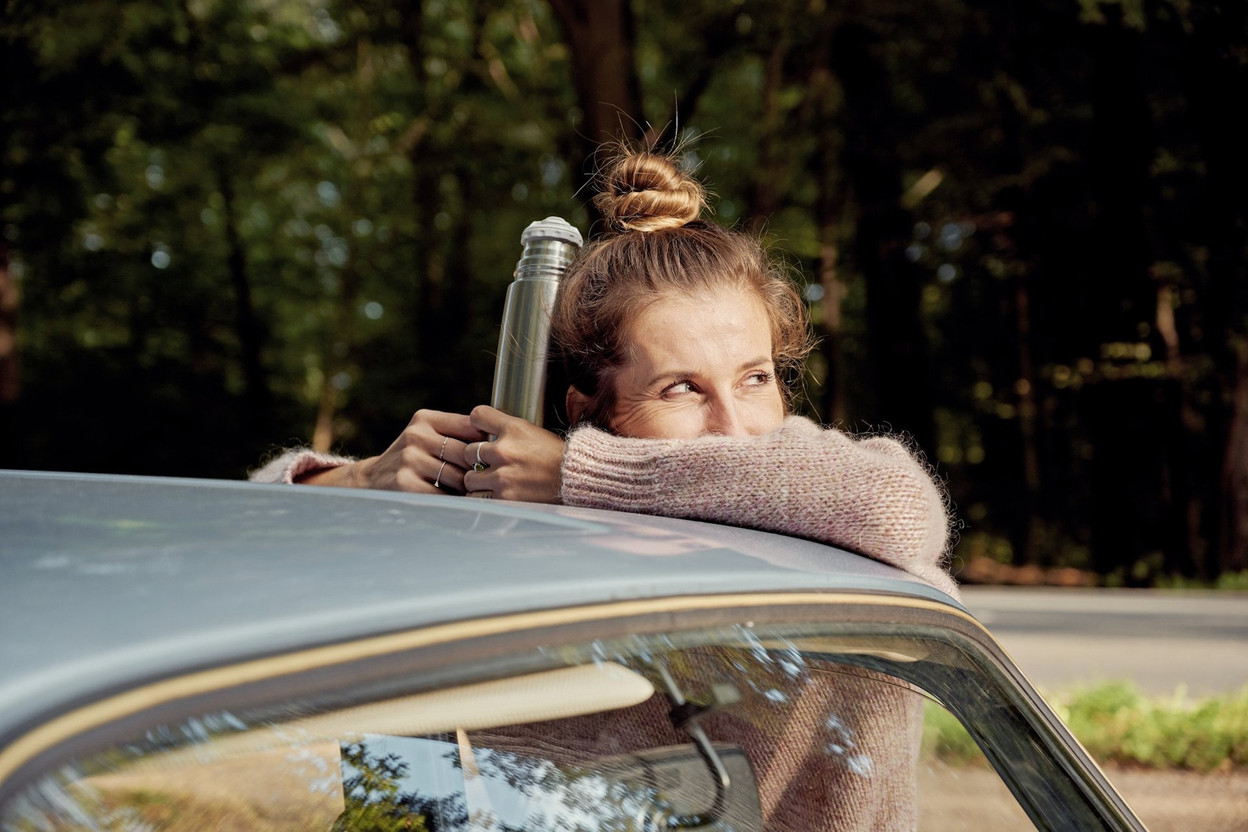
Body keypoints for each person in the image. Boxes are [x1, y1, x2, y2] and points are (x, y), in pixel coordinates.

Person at [252, 147, 955, 829]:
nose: (737, 428)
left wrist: (575, 472)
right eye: (681, 388)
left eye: (756, 377)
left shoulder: (829, 535)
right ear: (588, 410)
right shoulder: (524, 561)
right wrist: (355, 481)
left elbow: (895, 508)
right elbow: (231, 560)